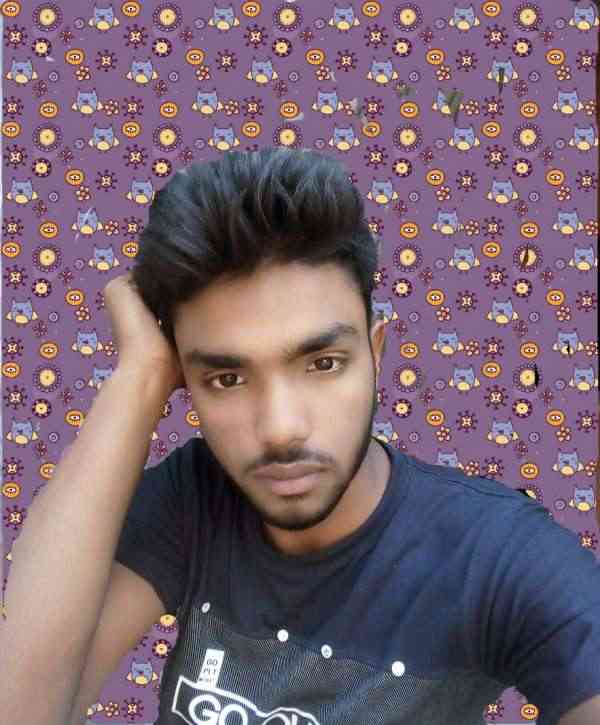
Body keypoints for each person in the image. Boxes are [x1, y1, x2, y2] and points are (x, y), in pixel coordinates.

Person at [3, 148, 600, 725]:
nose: (281, 429)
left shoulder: (493, 555)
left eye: (323, 364)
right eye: (227, 378)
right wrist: (138, 378)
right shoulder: (193, 500)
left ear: (375, 353)